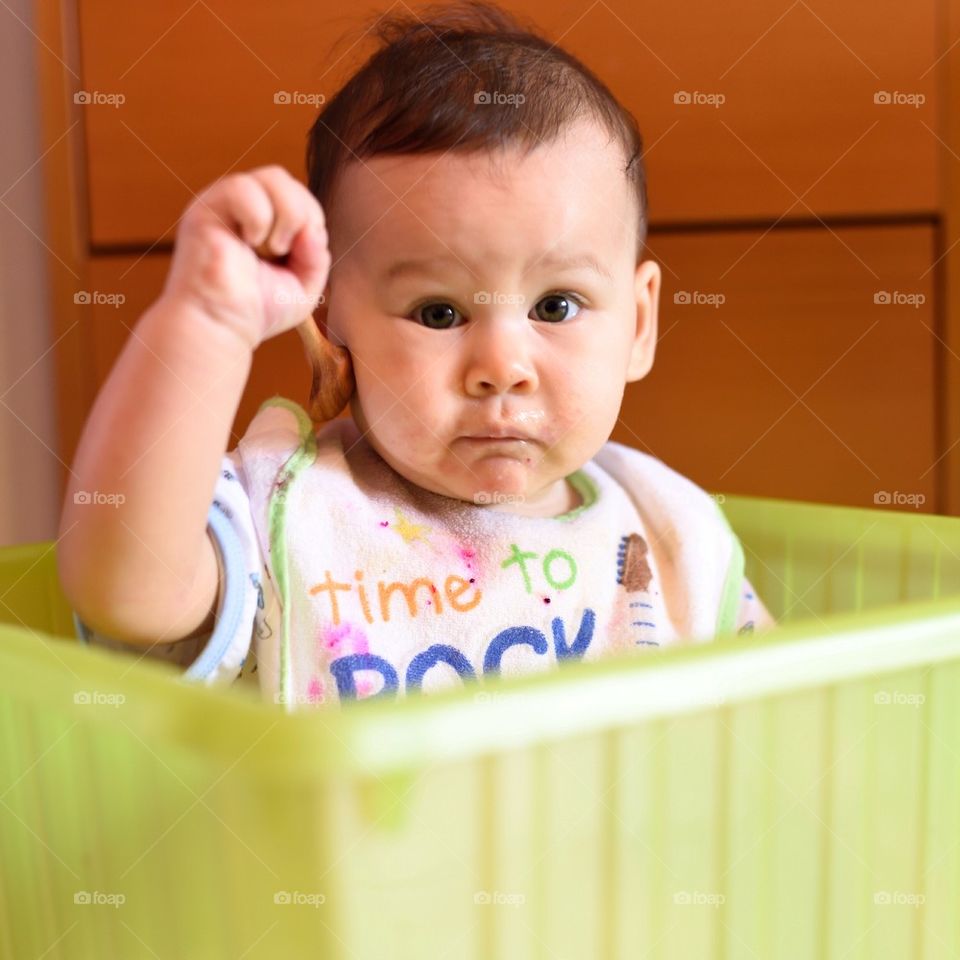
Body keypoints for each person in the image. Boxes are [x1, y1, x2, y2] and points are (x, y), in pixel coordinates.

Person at [57, 0, 775, 709]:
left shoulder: (667, 532)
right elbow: (126, 590)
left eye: (555, 306)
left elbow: (779, 724)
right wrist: (206, 323)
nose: (501, 366)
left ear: (639, 324)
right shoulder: (298, 511)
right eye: (439, 312)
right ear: (331, 321)